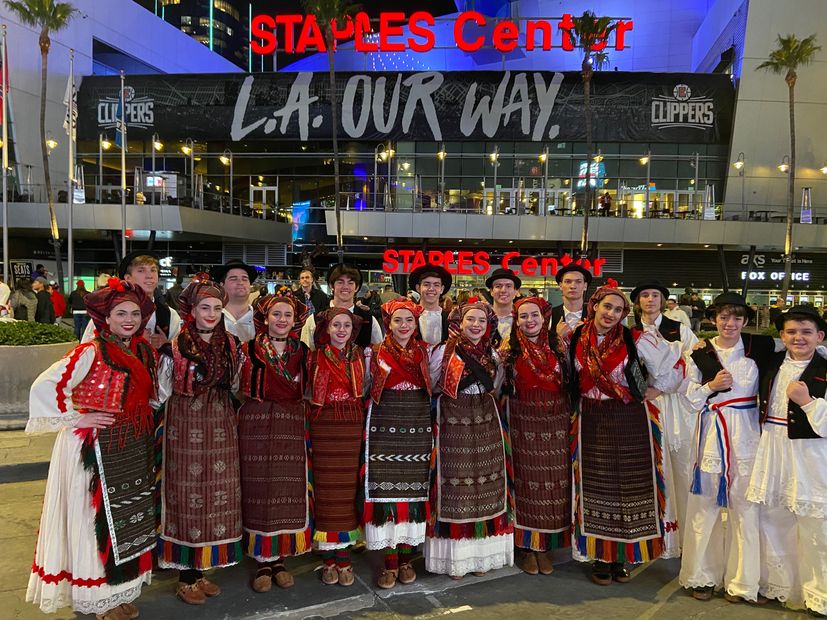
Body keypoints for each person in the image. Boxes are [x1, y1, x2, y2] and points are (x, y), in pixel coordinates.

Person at [26, 279, 158, 619]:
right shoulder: (91, 351)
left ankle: (120, 590)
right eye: (121, 313)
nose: (129, 320)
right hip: (93, 447)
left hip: (129, 444)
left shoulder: (142, 350)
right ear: (106, 318)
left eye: (134, 314)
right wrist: (78, 417)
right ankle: (99, 597)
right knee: (92, 522)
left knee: (126, 520)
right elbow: (46, 385)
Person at [569, 279, 681, 586]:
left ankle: (623, 555)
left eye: (618, 310)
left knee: (631, 486)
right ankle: (600, 556)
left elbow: (675, 367)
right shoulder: (576, 336)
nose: (611, 314)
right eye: (607, 306)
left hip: (629, 417)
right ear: (594, 307)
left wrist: (654, 391)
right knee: (595, 485)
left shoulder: (636, 339)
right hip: (591, 417)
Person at [679, 292, 776, 604]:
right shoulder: (701, 352)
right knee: (703, 507)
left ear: (745, 321)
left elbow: (802, 348)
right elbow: (689, 399)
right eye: (723, 317)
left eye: (736, 317)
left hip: (747, 435)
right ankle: (702, 577)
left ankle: (742, 582)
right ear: (713, 319)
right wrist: (711, 387)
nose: (729, 323)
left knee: (746, 508)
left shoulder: (759, 346)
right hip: (711, 434)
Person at [157, 273, 243, 606]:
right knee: (186, 493)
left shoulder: (231, 344)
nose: (211, 313)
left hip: (220, 421)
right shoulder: (175, 347)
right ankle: (185, 575)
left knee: (216, 494)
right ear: (191, 310)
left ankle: (202, 568)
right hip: (184, 423)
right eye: (204, 307)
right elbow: (161, 392)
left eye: (216, 308)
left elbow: (235, 385)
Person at [747, 306, 827, 616]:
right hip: (772, 444)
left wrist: (807, 403)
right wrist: (702, 346)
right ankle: (779, 585)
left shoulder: (824, 368)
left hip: (810, 452)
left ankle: (818, 594)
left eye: (806, 332)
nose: (798, 338)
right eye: (791, 332)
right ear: (781, 336)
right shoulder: (773, 362)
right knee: (773, 516)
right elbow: (735, 340)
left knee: (814, 524)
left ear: (819, 336)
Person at [426, 300, 512, 578]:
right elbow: (432, 382)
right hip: (452, 417)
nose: (476, 325)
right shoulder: (444, 351)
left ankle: (481, 556)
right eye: (470, 320)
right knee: (455, 485)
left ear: (488, 325)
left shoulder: (494, 354)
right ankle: (456, 558)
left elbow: (496, 384)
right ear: (459, 323)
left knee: (487, 481)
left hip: (486, 417)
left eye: (481, 321)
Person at [238, 288, 312, 593]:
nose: (282, 319)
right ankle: (262, 561)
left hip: (291, 422)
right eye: (276, 314)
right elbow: (236, 386)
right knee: (259, 489)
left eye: (287, 315)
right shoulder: (248, 348)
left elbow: (309, 388)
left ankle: (280, 559)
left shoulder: (302, 351)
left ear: (295, 320)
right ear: (265, 318)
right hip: (256, 423)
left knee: (286, 488)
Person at [363, 298, 434, 589]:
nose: (404, 326)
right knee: (385, 493)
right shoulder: (373, 352)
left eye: (409, 320)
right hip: (384, 422)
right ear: (388, 324)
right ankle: (390, 561)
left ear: (416, 324)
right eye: (397, 320)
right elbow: (365, 386)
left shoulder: (427, 352)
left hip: (417, 421)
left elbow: (435, 384)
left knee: (414, 493)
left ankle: (406, 558)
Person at [499, 296, 570, 576]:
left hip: (555, 422)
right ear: (516, 321)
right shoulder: (507, 350)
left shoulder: (560, 346)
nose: (529, 321)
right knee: (525, 484)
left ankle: (545, 548)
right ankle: (526, 547)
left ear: (544, 318)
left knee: (554, 485)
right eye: (523, 316)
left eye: (534, 315)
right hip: (522, 423)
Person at [631, 281, 699, 557]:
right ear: (637, 301)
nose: (650, 299)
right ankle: (653, 534)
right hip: (644, 404)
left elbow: (693, 365)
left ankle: (685, 535)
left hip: (676, 404)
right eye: (644, 295)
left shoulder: (679, 329)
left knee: (681, 467)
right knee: (652, 468)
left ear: (663, 300)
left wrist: (662, 387)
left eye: (655, 295)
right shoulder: (629, 331)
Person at [306, 308, 367, 587]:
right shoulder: (313, 357)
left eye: (346, 326)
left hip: (351, 425)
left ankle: (344, 557)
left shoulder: (360, 356)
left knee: (347, 490)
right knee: (325, 491)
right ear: (326, 329)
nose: (341, 330)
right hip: (323, 425)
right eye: (336, 325)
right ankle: (328, 559)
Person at [83, 251, 181, 349]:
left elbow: (180, 354)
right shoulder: (108, 313)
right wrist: (135, 342)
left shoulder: (170, 315)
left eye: (153, 270)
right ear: (128, 278)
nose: (149, 276)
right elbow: (87, 351)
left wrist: (167, 345)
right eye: (141, 270)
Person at [300, 264, 382, 350]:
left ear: (357, 287)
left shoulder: (369, 321)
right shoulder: (315, 319)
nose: (345, 287)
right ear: (331, 285)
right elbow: (304, 353)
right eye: (340, 282)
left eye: (350, 283)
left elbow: (379, 353)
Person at [211, 259, 258, 342]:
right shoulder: (211, 317)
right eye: (233, 279)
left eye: (245, 279)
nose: (240, 282)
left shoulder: (261, 319)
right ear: (222, 285)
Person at [408, 264, 452, 346]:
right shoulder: (408, 315)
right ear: (418, 288)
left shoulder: (450, 318)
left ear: (441, 289)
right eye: (426, 284)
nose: (431, 289)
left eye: (436, 285)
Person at [551, 263, 591, 334]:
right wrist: (558, 337)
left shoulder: (594, 315)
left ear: (585, 286)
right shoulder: (550, 315)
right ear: (560, 285)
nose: (573, 286)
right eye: (568, 282)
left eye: (578, 282)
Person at [486, 267, 521, 340]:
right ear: (491, 291)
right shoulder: (484, 318)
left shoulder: (523, 318)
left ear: (516, 291)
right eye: (498, 286)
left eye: (508, 286)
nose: (503, 290)